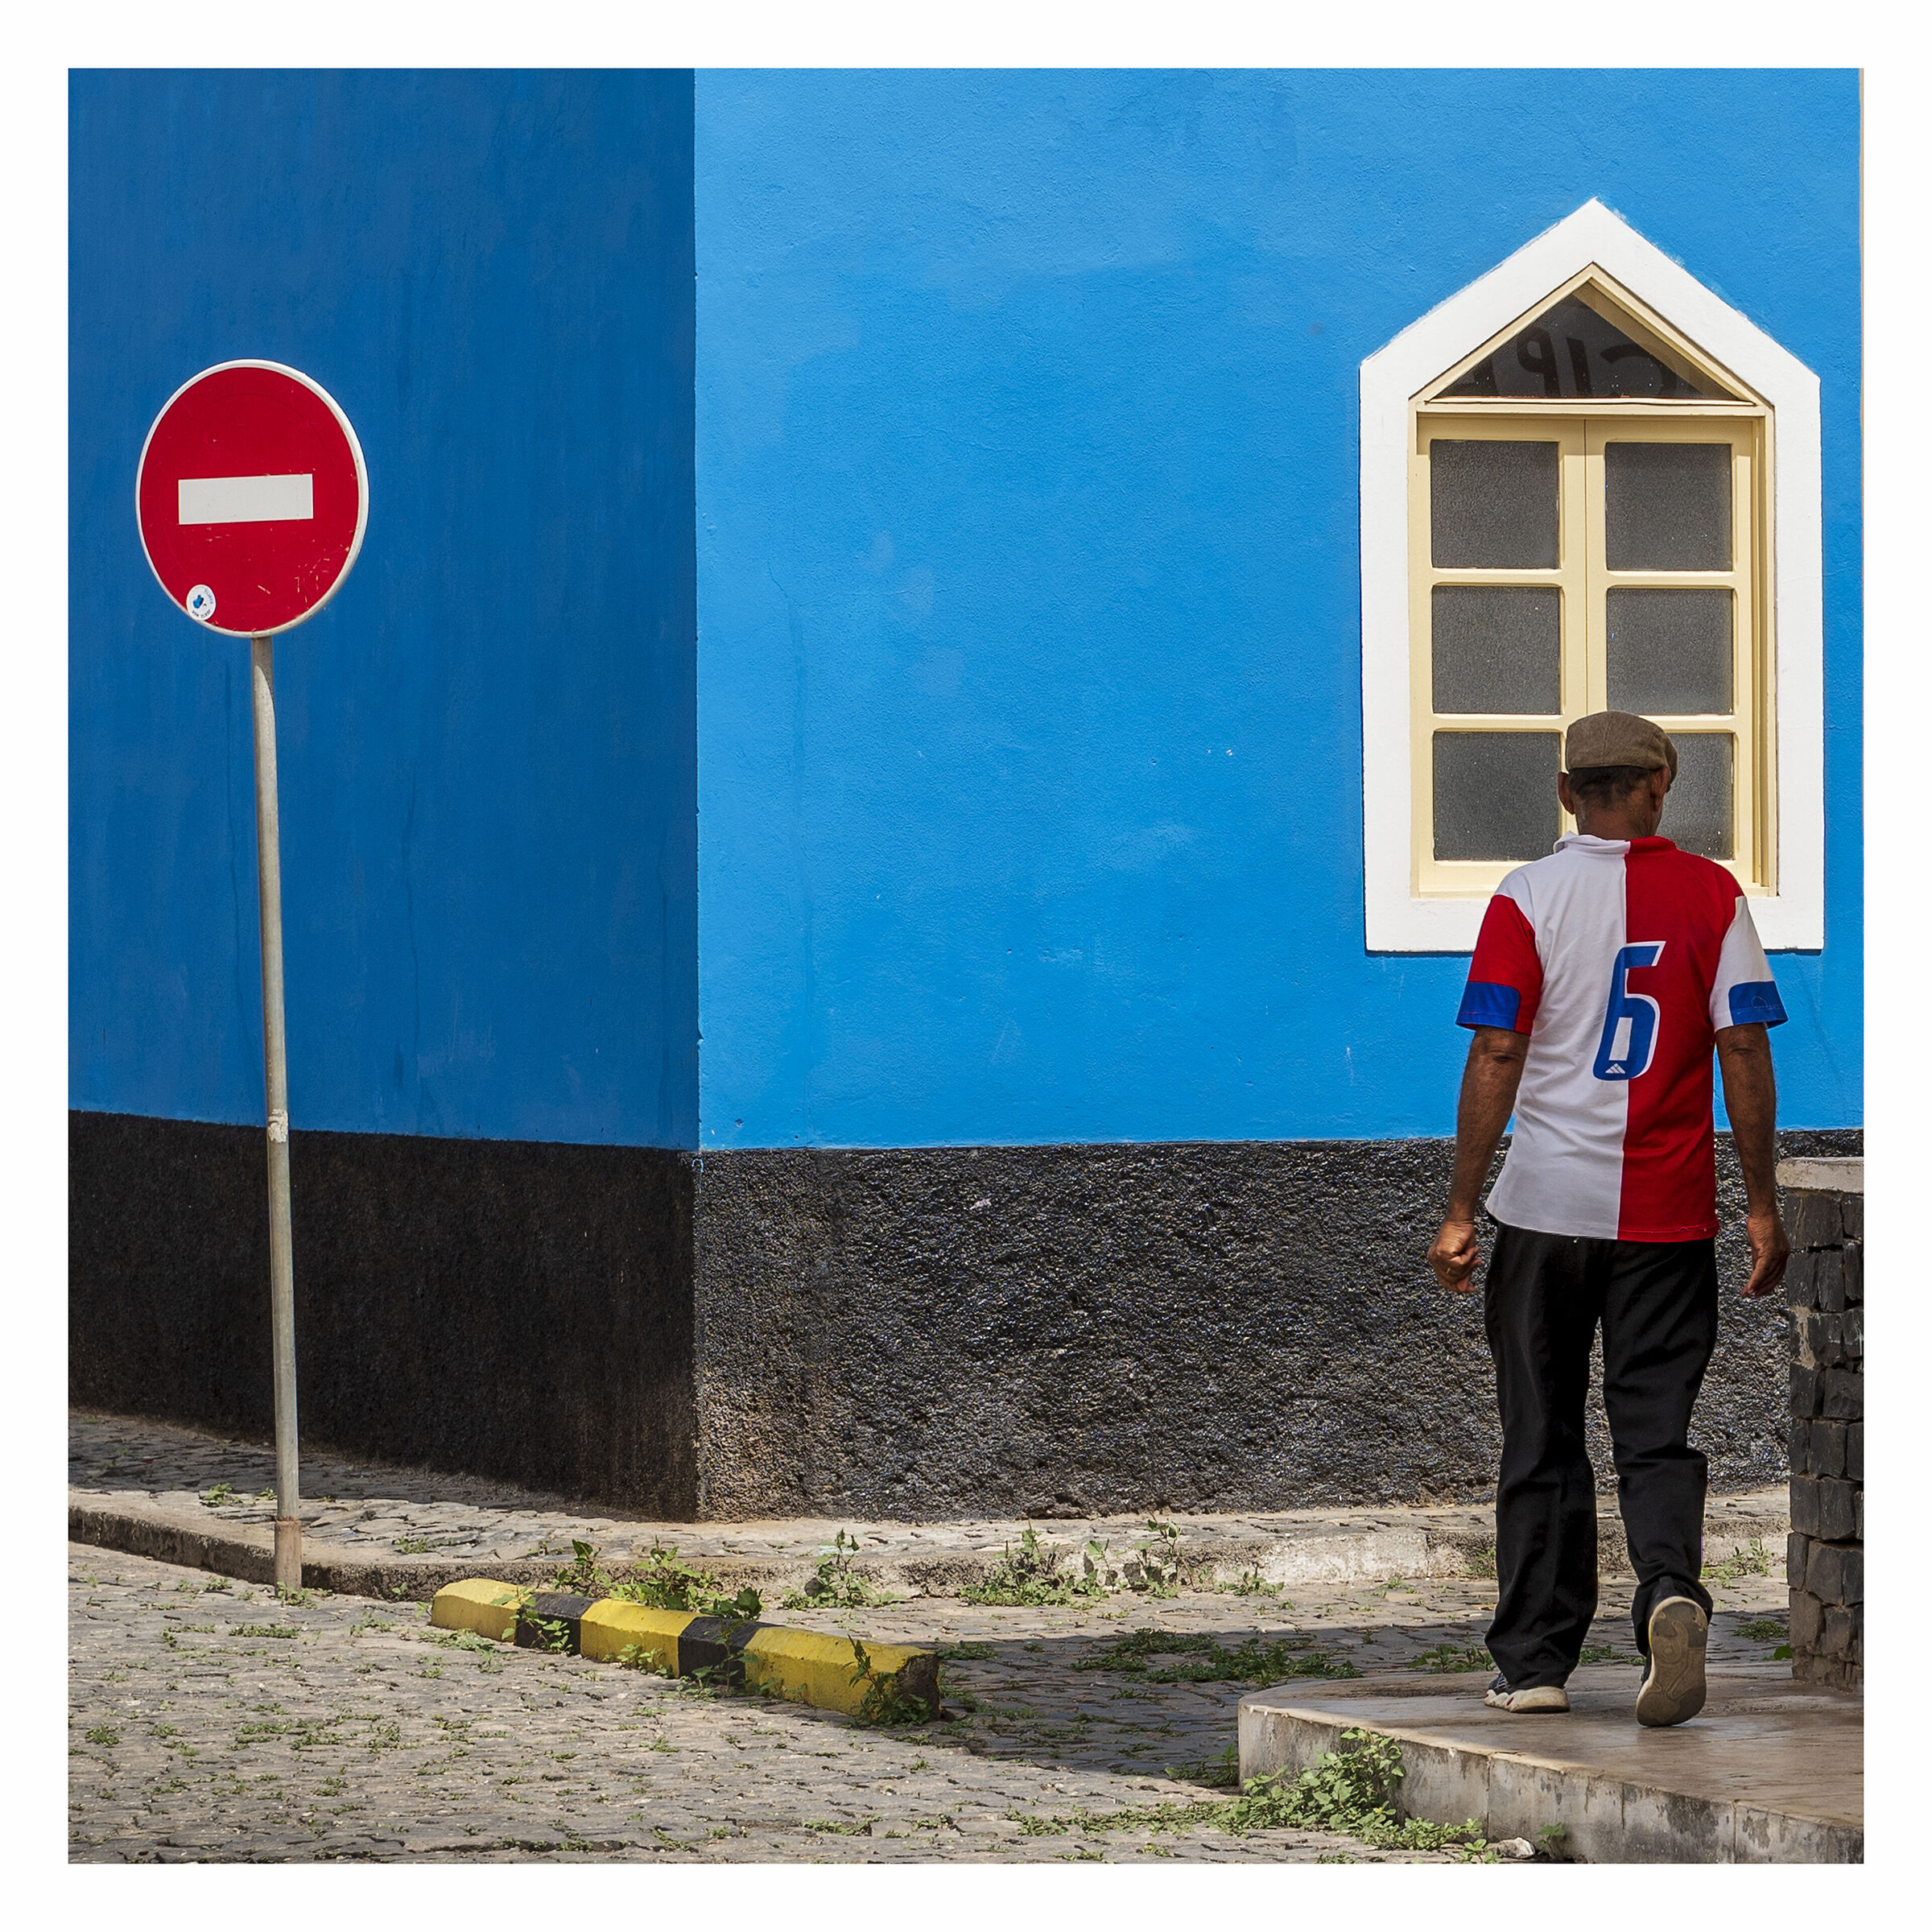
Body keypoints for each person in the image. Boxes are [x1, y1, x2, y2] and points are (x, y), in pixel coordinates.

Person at [1426, 711, 1790, 1728]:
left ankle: (1536, 1665)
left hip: (1544, 1211)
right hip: (1668, 1217)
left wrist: (1460, 1208)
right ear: (1661, 786)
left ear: (1564, 791)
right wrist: (1761, 1205)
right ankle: (1670, 1588)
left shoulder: (1526, 895)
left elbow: (1497, 1049)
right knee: (1656, 1433)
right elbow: (1744, 1049)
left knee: (1540, 1431)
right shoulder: (1713, 893)